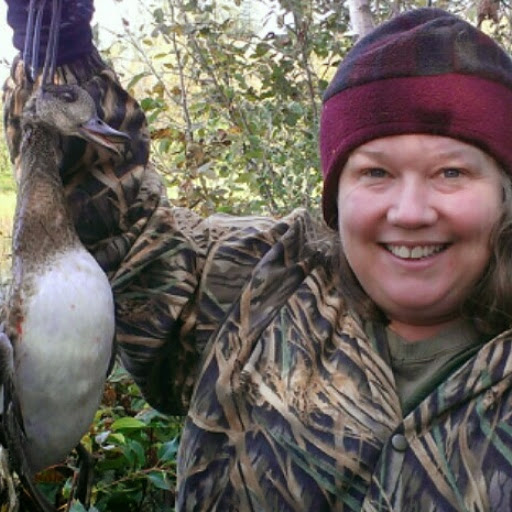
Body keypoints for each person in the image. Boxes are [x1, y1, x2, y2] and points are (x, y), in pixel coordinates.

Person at [3, 2, 512, 510]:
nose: (410, 212)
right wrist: (62, 55)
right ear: (335, 195)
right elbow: (118, 229)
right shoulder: (257, 282)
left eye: (451, 173)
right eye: (376, 173)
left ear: (505, 193)